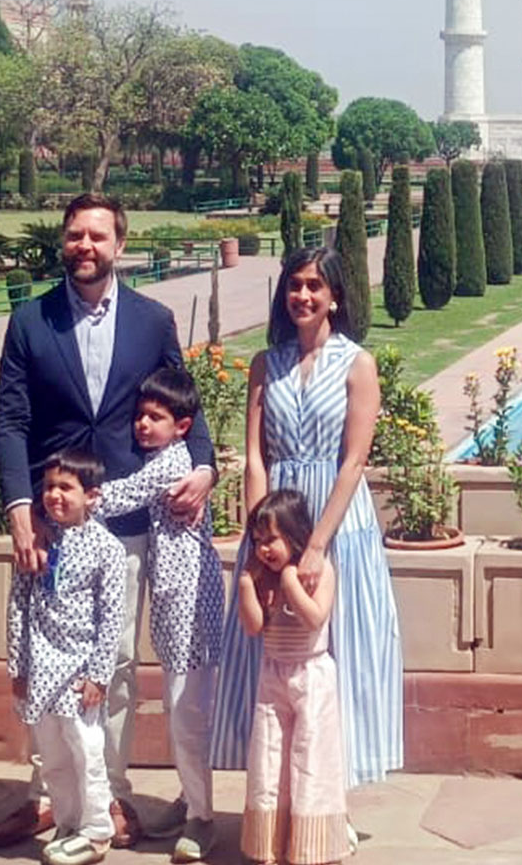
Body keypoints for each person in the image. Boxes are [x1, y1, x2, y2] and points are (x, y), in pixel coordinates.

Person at [0, 193, 216, 850]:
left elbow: (186, 405)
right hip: (51, 524)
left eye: (97, 236)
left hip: (124, 526)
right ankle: (47, 797)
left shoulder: (151, 321)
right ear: (63, 243)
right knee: (39, 659)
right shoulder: (32, 322)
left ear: (120, 245)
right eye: (74, 235)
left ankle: (108, 794)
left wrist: (203, 467)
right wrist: (20, 510)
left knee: (110, 666)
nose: (84, 246)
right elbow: (10, 421)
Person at [211, 246, 403, 847]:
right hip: (275, 521)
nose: (304, 296)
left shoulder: (357, 363)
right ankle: (278, 808)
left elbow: (353, 460)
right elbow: (254, 457)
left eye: (315, 286)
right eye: (295, 285)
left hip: (334, 523)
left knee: (334, 658)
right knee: (270, 660)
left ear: (336, 297)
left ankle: (330, 807)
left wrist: (315, 545)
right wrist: (260, 536)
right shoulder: (265, 364)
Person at [93, 367, 224, 863]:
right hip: (174, 607)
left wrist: (74, 499)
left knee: (186, 711)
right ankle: (192, 798)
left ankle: (203, 819)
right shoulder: (169, 457)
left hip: (189, 609)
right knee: (179, 708)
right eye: (140, 416)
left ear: (183, 425)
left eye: (156, 417)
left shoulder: (172, 465)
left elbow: (124, 495)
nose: (143, 425)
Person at [6, 449, 126, 865]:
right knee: (53, 755)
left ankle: (96, 831)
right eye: (49, 487)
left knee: (86, 750)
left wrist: (98, 674)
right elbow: (18, 605)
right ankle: (68, 823)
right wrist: (18, 666)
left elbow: (112, 617)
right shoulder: (37, 541)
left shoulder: (106, 549)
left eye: (66, 488)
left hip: (79, 672)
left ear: (91, 496)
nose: (55, 496)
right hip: (41, 668)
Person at [239, 490, 347, 864]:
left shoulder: (318, 572)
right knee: (269, 757)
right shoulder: (261, 578)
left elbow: (315, 618)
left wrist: (289, 582)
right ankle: (267, 843)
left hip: (312, 676)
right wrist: (246, 588)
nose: (263, 549)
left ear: (295, 534)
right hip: (273, 675)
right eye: (257, 542)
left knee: (310, 758)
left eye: (271, 539)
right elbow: (253, 628)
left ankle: (311, 847)